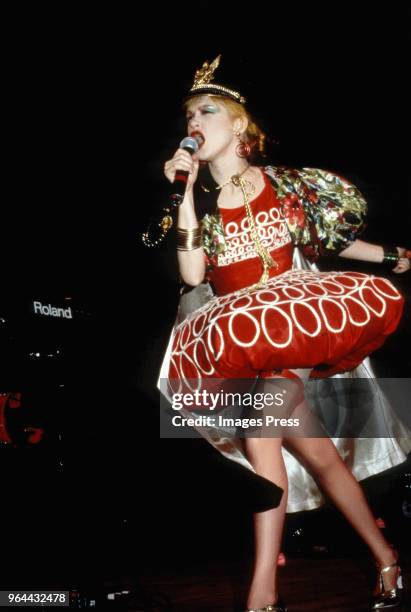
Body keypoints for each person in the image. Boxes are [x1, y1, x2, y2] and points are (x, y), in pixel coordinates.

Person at [156, 55, 410, 611]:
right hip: (239, 336)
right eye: (188, 115)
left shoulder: (287, 185)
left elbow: (332, 243)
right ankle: (388, 559)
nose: (193, 122)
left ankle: (262, 597)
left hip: (290, 323)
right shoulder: (199, 204)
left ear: (240, 123)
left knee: (263, 433)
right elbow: (194, 275)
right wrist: (187, 193)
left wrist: (393, 256)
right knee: (321, 458)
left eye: (207, 110)